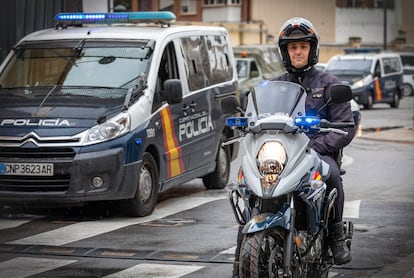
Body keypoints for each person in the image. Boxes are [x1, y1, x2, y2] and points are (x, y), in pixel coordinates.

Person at [232, 17, 354, 277]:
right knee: (247, 185)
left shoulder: (330, 84)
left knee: (331, 175)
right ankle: (242, 250)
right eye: (292, 47)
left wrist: (317, 145)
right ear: (285, 52)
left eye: (302, 46)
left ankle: (335, 235)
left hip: (317, 153)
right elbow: (256, 117)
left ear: (312, 49)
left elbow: (345, 127)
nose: (297, 51)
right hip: (281, 155)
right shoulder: (272, 85)